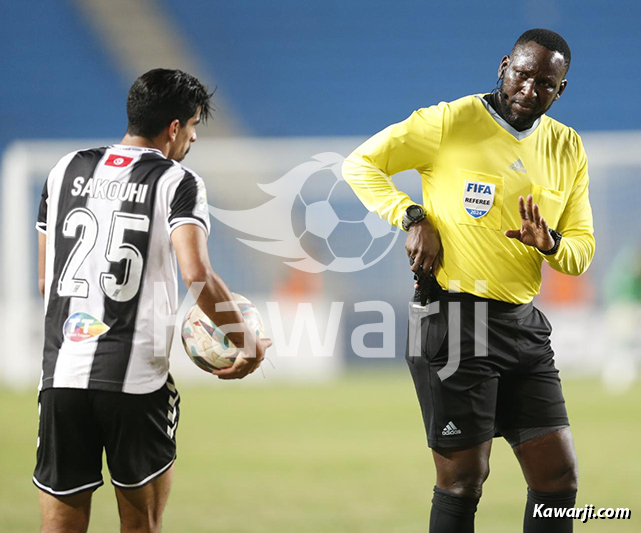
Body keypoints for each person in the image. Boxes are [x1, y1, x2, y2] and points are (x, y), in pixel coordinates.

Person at [343, 29, 594, 532]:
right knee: (463, 478)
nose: (529, 89)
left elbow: (581, 251)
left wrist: (549, 243)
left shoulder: (567, 146)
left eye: (545, 83)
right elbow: (360, 164)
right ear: (504, 67)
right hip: (453, 319)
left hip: (522, 326)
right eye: (522, 74)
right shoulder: (449, 121)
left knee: (558, 477)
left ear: (560, 89)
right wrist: (412, 216)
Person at [34, 68, 272, 533]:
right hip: (135, 381)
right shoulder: (178, 181)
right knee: (141, 525)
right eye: (194, 125)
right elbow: (197, 274)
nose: (194, 137)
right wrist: (248, 343)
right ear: (174, 127)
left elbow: (47, 282)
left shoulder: (64, 170)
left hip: (62, 374)